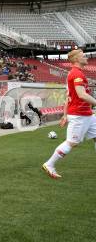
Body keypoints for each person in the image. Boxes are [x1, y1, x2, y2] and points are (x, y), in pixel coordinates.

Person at [42, 49, 96, 179]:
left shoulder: (75, 73)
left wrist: (65, 115)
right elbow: (81, 95)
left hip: (86, 114)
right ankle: (49, 164)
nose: (86, 57)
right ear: (77, 59)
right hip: (79, 115)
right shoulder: (76, 74)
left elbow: (69, 97)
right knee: (71, 143)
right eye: (83, 56)